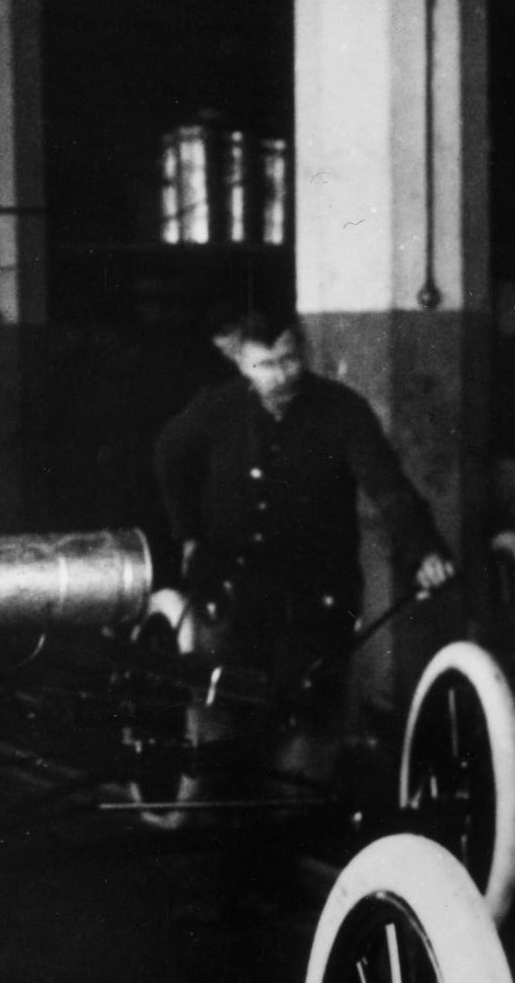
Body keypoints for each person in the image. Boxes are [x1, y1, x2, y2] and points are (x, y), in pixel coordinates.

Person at [151, 311, 451, 768]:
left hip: (316, 593)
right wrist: (188, 535)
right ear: (239, 364)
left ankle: (297, 822)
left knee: (312, 724)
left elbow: (388, 487)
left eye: (290, 360)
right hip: (230, 588)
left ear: (303, 353)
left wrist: (423, 547)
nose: (281, 376)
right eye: (265, 366)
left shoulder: (342, 410)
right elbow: (168, 454)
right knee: (224, 719)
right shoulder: (216, 407)